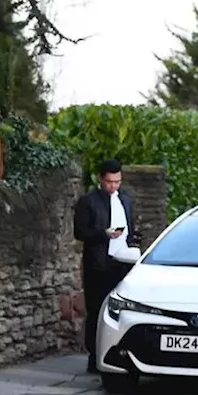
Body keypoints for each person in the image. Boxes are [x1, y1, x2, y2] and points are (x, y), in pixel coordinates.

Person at [72, 159, 138, 374]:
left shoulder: (125, 200)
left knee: (122, 310)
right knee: (97, 310)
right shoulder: (89, 201)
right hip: (99, 264)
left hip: (123, 262)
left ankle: (121, 353)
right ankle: (94, 357)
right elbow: (80, 232)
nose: (113, 186)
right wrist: (104, 234)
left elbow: (130, 226)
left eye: (117, 181)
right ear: (101, 179)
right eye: (110, 182)